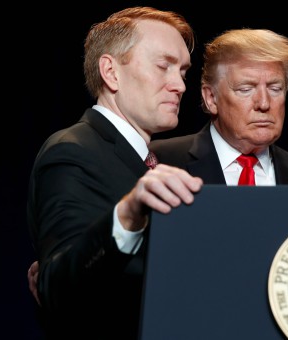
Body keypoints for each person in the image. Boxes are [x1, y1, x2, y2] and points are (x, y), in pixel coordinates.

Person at [26, 7, 203, 340]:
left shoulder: (156, 161)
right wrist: (125, 215)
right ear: (110, 72)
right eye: (163, 66)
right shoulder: (73, 151)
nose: (179, 84)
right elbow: (57, 291)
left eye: (183, 71)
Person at [150, 28, 288, 186]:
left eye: (275, 89)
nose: (264, 104)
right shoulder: (160, 161)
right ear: (211, 98)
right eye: (246, 89)